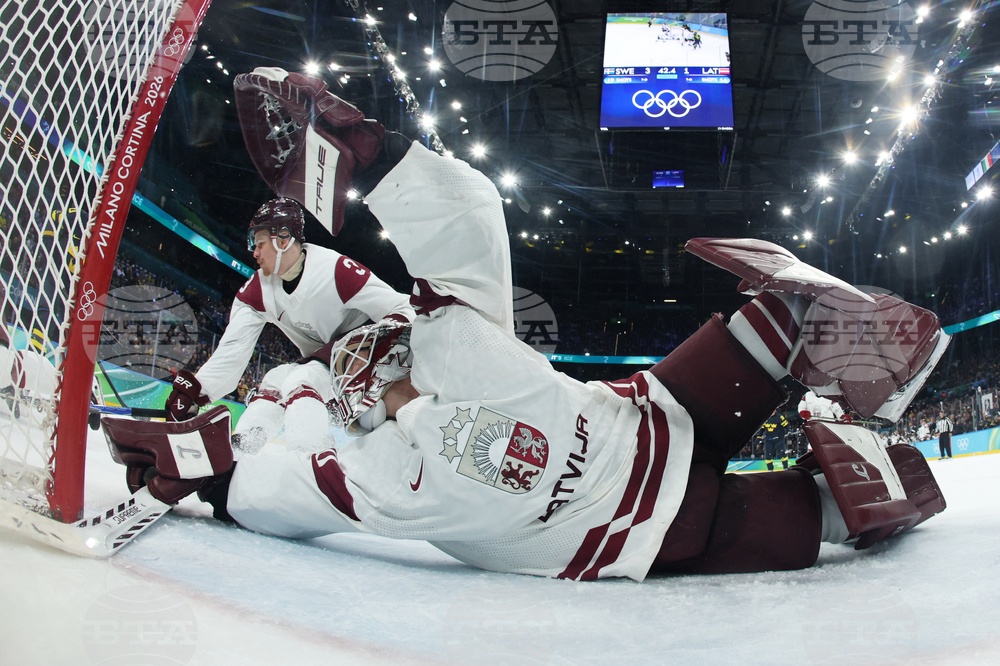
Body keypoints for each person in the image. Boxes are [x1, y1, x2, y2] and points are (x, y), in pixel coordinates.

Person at [104, 69, 949, 582]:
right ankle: (823, 371)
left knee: (790, 488)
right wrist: (372, 155)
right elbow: (469, 217)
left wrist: (213, 476)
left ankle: (835, 416)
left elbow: (285, 487)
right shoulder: (432, 366)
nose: (377, 351)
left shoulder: (387, 458)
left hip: (637, 501)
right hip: (645, 477)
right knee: (811, 489)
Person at [163, 197, 413, 453]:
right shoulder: (258, 289)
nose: (254, 253)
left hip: (363, 371)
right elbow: (232, 350)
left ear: (283, 239)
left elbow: (402, 308)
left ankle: (311, 455)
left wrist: (385, 354)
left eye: (259, 244)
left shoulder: (336, 270)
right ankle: (244, 447)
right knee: (274, 379)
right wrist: (197, 391)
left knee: (303, 378)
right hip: (326, 367)